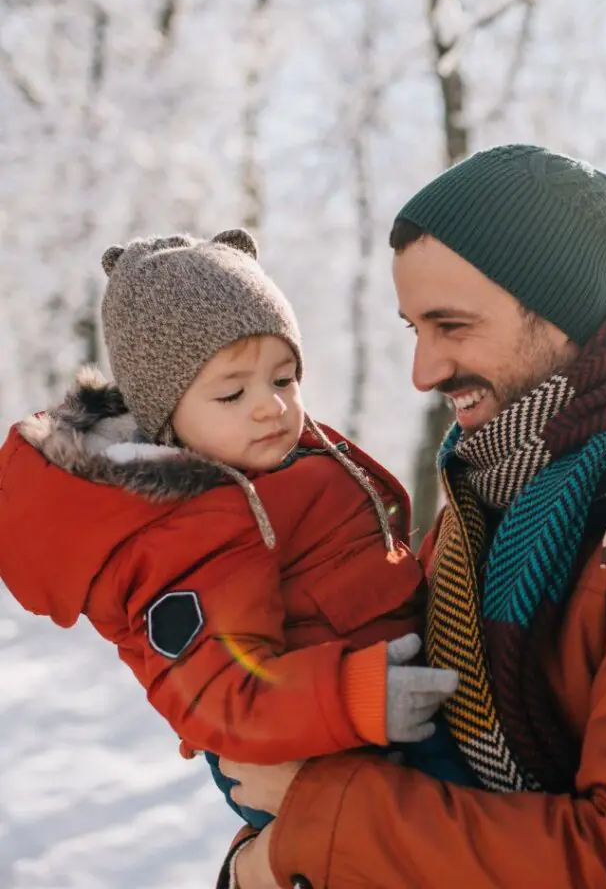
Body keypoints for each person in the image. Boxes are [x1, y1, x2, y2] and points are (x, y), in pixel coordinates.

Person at [219, 145, 606, 888]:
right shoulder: (480, 493)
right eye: (413, 331)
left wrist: (318, 820)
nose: (423, 372)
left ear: (563, 311)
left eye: (452, 327)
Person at [0, 228, 462, 837]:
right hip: (325, 739)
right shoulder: (187, 529)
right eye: (232, 392)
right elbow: (216, 692)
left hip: (379, 700)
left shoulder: (274, 460)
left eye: (284, 378)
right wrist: (354, 698)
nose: (270, 406)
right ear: (167, 418)